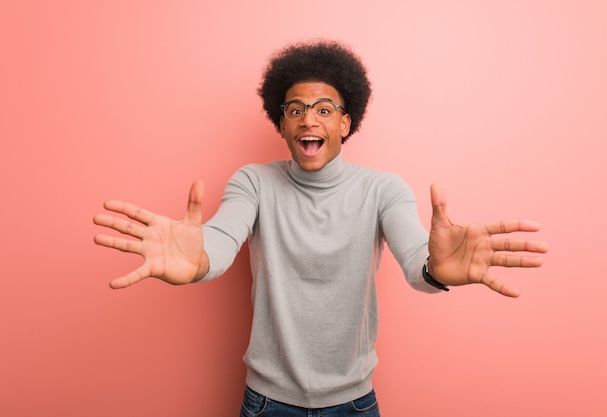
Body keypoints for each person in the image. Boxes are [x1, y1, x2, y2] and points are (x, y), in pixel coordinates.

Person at [93, 40, 548, 417]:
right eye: (296, 109)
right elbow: (221, 239)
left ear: (346, 122)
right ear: (282, 123)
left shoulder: (382, 189)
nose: (309, 118)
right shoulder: (254, 182)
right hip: (266, 403)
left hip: (353, 404)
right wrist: (197, 260)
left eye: (325, 109)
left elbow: (417, 261)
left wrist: (436, 270)